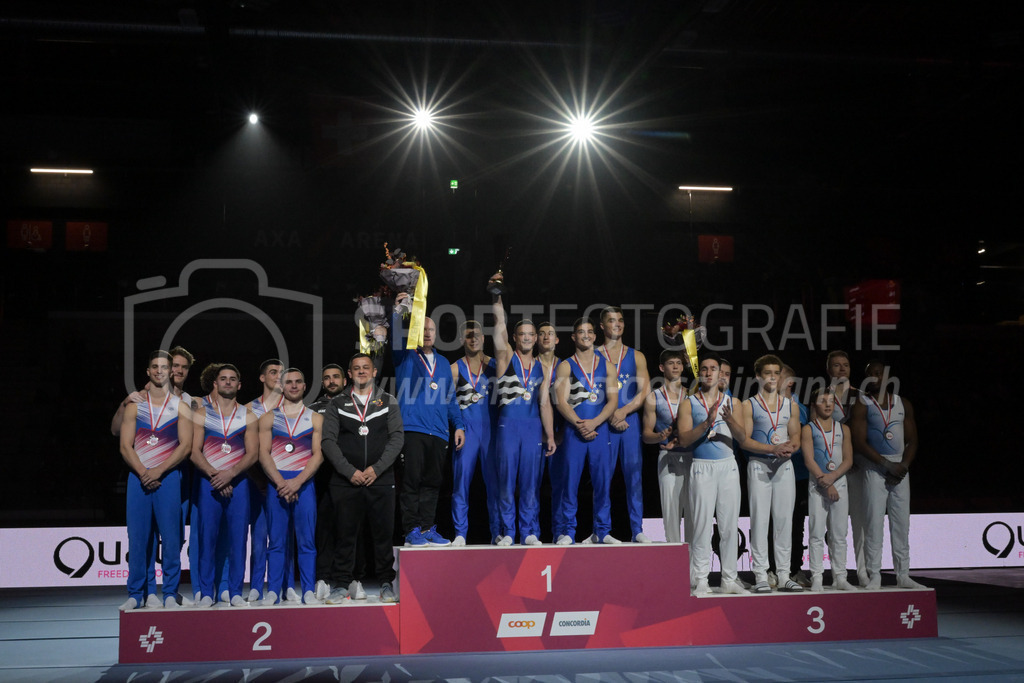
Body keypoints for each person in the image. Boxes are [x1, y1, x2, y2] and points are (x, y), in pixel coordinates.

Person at [321, 354, 404, 603]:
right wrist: (350, 472)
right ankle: (341, 585)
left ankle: (386, 583)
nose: (361, 372)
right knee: (345, 536)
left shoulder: (388, 401)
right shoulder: (337, 404)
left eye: (365, 368)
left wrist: (376, 469)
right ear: (349, 374)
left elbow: (397, 438)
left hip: (380, 479)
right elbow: (328, 442)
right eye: (356, 368)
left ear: (374, 372)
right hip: (346, 481)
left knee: (383, 535)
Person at [118, 351, 193, 610]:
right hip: (138, 477)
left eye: (164, 367)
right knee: (138, 538)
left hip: (168, 477)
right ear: (148, 372)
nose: (159, 371)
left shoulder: (181, 406)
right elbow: (125, 446)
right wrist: (142, 472)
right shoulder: (134, 406)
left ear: (170, 371)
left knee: (171, 538)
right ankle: (138, 593)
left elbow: (185, 446)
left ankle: (170, 593)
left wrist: (158, 471)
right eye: (154, 367)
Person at [392, 294, 465, 546]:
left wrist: (460, 425)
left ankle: (426, 529)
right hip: (413, 429)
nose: (427, 333)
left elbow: (450, 398)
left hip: (440, 432)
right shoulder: (404, 356)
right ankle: (411, 530)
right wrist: (397, 310)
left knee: (433, 484)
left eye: (431, 329)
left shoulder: (444, 362)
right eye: (422, 329)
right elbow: (395, 336)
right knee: (411, 482)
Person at [850, 361, 925, 590]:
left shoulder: (904, 404)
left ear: (888, 377)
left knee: (901, 523)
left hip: (900, 471)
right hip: (874, 468)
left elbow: (913, 440)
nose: (875, 377)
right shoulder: (862, 405)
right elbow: (858, 442)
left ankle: (903, 574)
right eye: (870, 374)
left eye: (879, 373)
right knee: (873, 523)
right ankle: (875, 575)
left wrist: (903, 465)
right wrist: (884, 464)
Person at [190, 364, 259, 607]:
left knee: (238, 540)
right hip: (208, 483)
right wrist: (214, 475)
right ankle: (207, 592)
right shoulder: (201, 414)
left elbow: (252, 454)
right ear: (215, 384)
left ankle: (235, 591)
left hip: (238, 483)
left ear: (239, 385)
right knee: (207, 539)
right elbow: (194, 451)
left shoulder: (248, 415)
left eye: (233, 379)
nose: (228, 382)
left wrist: (229, 474)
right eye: (223, 379)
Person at [677, 356, 745, 594]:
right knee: (701, 526)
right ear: (699, 374)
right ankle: (702, 579)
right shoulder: (688, 403)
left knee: (729, 526)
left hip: (728, 467)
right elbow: (684, 439)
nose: (708, 373)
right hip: (702, 467)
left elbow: (743, 438)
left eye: (713, 369)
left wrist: (729, 420)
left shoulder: (734, 402)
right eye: (704, 369)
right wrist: (707, 423)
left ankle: (729, 579)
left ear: (720, 374)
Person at [492, 295, 557, 545]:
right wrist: (497, 300)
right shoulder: (506, 357)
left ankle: (528, 531)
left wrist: (550, 435)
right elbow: (499, 327)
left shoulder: (543, 367)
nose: (528, 338)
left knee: (531, 482)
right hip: (508, 426)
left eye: (532, 334)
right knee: (507, 481)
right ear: (515, 338)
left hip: (533, 429)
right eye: (523, 334)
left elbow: (544, 403)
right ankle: (508, 531)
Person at [258, 368, 323, 605]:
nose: (294, 386)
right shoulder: (268, 418)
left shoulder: (315, 418)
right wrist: (280, 482)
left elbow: (317, 455)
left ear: (305, 386)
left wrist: (297, 481)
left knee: (306, 541)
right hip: (278, 483)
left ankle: (307, 590)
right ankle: (273, 590)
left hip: (303, 484)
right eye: (289, 383)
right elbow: (263, 454)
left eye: (298, 382)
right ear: (281, 387)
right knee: (276, 541)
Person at [739, 354, 802, 593]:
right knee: (760, 520)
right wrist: (772, 448)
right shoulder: (749, 405)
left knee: (784, 520)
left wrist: (789, 447)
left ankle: (784, 574)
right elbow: (745, 441)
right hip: (759, 465)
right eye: (768, 373)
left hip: (784, 466)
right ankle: (761, 575)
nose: (773, 377)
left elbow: (795, 436)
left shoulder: (790, 405)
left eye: (777, 373)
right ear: (758, 376)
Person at [553, 318, 618, 545]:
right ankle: (568, 532)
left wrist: (595, 423)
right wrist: (581, 424)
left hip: (599, 432)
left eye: (590, 331)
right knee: (570, 482)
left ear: (595, 336)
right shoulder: (565, 366)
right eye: (581, 332)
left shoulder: (608, 366)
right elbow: (560, 401)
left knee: (602, 482)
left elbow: (612, 402)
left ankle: (602, 530)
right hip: (574, 432)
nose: (586, 335)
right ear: (573, 337)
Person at [599, 307, 652, 543]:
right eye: (611, 320)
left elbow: (645, 391)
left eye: (620, 320)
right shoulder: (593, 355)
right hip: (603, 422)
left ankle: (637, 529)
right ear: (602, 326)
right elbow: (591, 391)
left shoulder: (636, 355)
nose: (617, 324)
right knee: (602, 477)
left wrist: (623, 411)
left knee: (634, 476)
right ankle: (602, 530)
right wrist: (610, 414)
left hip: (629, 421)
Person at [246, 358, 295, 602]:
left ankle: (287, 584)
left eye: (281, 373)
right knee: (259, 536)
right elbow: (246, 450)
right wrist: (259, 480)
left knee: (284, 534)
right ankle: (256, 585)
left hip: (285, 482)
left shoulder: (293, 407)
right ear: (262, 378)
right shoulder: (248, 409)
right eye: (273, 372)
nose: (278, 376)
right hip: (257, 483)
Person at [801, 388, 856, 592]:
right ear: (815, 404)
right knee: (816, 532)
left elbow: (849, 460)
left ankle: (840, 576)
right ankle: (816, 576)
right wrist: (826, 481)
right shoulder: (808, 429)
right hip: (818, 484)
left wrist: (833, 478)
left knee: (839, 533)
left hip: (838, 482)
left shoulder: (844, 429)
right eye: (822, 401)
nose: (827, 404)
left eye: (831, 401)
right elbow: (809, 460)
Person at [450, 321, 499, 546]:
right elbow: (448, 403)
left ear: (484, 338)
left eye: (477, 335)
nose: (473, 339)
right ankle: (460, 533)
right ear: (462, 340)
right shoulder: (454, 368)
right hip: (467, 430)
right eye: (468, 336)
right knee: (461, 483)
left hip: (492, 432)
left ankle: (497, 532)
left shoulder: (496, 365)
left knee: (495, 485)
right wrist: (457, 426)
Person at [827, 350, 868, 586]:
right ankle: (838, 574)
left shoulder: (862, 397)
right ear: (829, 370)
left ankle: (862, 572)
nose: (841, 369)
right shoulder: (822, 397)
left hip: (859, 468)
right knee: (836, 526)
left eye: (845, 365)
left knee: (860, 524)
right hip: (833, 470)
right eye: (836, 365)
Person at [642, 349, 689, 543]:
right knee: (671, 511)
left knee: (693, 510)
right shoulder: (653, 397)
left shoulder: (692, 395)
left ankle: (695, 565)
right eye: (671, 363)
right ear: (662, 367)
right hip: (667, 457)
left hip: (691, 456)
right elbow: (646, 435)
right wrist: (660, 436)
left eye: (679, 362)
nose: (676, 366)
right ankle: (674, 555)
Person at [310, 363, 346, 600]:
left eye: (336, 377)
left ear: (345, 380)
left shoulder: (357, 404)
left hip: (350, 475)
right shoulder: (312, 409)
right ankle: (323, 578)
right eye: (327, 378)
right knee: (323, 529)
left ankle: (349, 578)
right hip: (322, 477)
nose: (331, 381)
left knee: (349, 529)